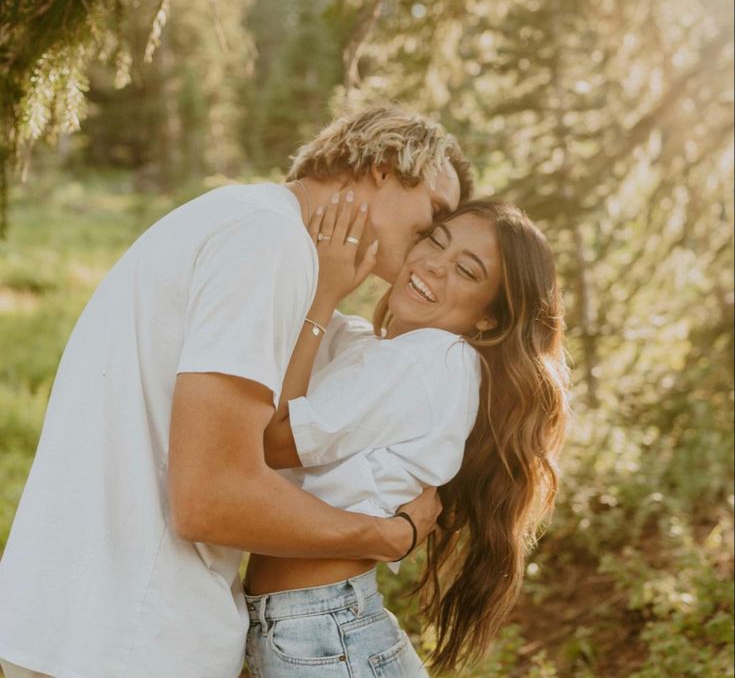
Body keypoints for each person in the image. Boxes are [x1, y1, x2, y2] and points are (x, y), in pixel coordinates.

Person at [0, 105, 473, 678]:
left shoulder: (234, 217)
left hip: (75, 623)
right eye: (434, 215)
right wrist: (387, 534)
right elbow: (212, 498)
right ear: (383, 166)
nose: (429, 241)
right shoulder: (268, 242)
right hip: (132, 640)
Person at [243, 197, 571, 677]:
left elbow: (273, 442)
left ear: (490, 318)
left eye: (466, 270)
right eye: (435, 240)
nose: (435, 265)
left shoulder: (432, 360)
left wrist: (325, 297)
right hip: (315, 630)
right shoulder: (380, 352)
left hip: (322, 634)